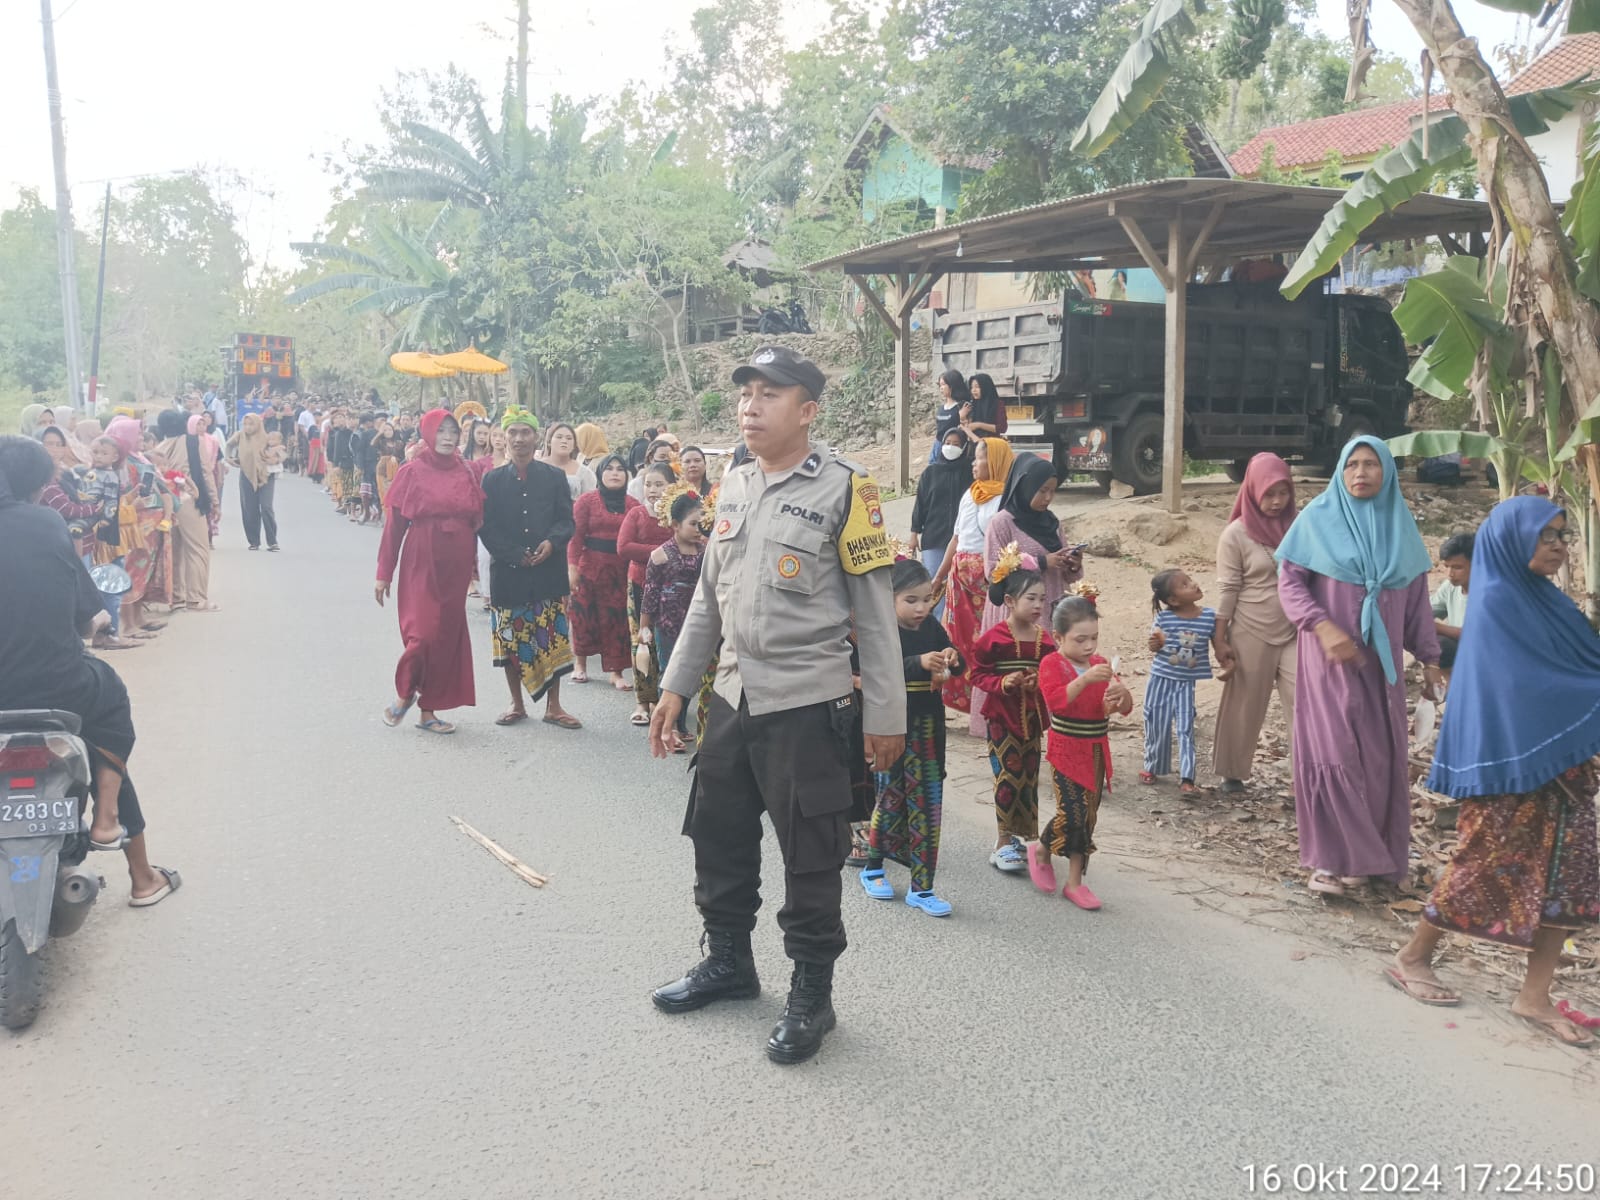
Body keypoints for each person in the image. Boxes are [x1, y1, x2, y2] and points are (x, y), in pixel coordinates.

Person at [648, 345, 903, 1066]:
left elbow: (876, 616)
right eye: (745, 394)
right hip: (731, 699)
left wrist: (886, 716)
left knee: (811, 858)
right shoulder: (731, 484)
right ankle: (729, 963)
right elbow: (708, 599)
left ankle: (811, 997)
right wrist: (674, 686)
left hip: (807, 706)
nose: (750, 407)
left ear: (808, 410)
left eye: (769, 394)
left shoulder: (851, 490)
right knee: (719, 838)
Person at [1388, 497, 1600, 1044]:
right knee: (1481, 863)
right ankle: (1412, 958)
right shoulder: (1500, 601)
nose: (1557, 545)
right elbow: (1521, 687)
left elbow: (1579, 667)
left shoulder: (1546, 601)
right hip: (1509, 763)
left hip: (1561, 764)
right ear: (1512, 541)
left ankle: (1534, 996)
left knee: (1568, 878)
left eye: (1562, 535)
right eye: (1546, 535)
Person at [0, 436, 180, 906]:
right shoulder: (46, 523)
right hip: (55, 686)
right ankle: (127, 855)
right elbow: (87, 615)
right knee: (107, 727)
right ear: (40, 486)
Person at [1276, 436, 1443, 897]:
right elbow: (1289, 584)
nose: (1361, 473)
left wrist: (1429, 658)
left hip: (1380, 670)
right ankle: (1330, 861)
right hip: (1327, 664)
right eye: (1352, 464)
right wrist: (1321, 626)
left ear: (1387, 471)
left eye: (1371, 464)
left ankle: (1368, 862)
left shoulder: (1401, 530)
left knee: (1377, 758)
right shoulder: (1316, 522)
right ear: (1340, 471)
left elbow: (1416, 606)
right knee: (1332, 753)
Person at [857, 559, 963, 916]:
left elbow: (958, 663)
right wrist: (919, 662)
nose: (922, 608)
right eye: (911, 600)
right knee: (890, 797)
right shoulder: (880, 631)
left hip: (929, 731)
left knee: (928, 804)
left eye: (927, 599)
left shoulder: (932, 627)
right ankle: (873, 867)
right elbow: (874, 670)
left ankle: (923, 887)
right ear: (889, 599)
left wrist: (952, 657)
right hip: (892, 728)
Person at [375, 410, 484, 735]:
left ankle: (428, 710)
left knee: (445, 636)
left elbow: (477, 522)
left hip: (458, 562)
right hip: (421, 558)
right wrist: (384, 572)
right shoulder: (412, 472)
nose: (448, 437)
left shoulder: (467, 471)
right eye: (442, 431)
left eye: (453, 431)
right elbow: (394, 527)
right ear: (428, 433)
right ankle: (405, 692)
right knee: (421, 634)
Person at [479, 407, 581, 730]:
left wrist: (552, 543)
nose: (519, 438)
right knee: (510, 640)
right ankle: (517, 703)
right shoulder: (492, 480)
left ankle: (554, 706)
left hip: (548, 572)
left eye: (526, 432)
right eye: (513, 433)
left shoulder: (554, 477)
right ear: (505, 438)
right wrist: (514, 555)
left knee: (552, 639)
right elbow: (486, 527)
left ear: (537, 437)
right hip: (508, 574)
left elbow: (567, 520)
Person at [1038, 594, 1134, 909]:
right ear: (1059, 637)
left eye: (1094, 638)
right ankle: (1041, 850)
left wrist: (1121, 696)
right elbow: (1055, 701)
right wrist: (1086, 680)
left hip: (1095, 750)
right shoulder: (1052, 663)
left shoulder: (1101, 664)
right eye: (1080, 640)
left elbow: (1115, 708)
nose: (1089, 646)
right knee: (1072, 813)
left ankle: (1075, 881)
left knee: (1088, 817)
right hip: (1065, 749)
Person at [1213, 453, 1298, 793]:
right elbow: (1228, 589)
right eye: (1269, 493)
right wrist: (1219, 639)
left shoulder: (1300, 525)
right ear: (1252, 490)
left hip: (1295, 629)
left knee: (1304, 702)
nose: (1277, 501)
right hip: (1250, 628)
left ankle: (1308, 776)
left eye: (1283, 492)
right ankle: (1232, 772)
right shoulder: (1235, 535)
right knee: (1245, 703)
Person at [969, 553, 1054, 878]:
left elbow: (1052, 676)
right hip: (1001, 720)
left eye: (1042, 599)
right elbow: (977, 675)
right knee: (1007, 777)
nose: (1038, 605)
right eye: (1030, 598)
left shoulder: (1046, 639)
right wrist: (1003, 682)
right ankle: (1002, 842)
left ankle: (1025, 839)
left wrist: (1038, 684)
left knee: (1029, 780)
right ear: (1009, 600)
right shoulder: (993, 639)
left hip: (1032, 721)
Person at [934, 435, 1014, 730]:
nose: (973, 463)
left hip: (986, 584)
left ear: (993, 461)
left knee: (984, 643)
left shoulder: (1006, 500)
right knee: (956, 641)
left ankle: (985, 707)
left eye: (979, 457)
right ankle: (959, 702)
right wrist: (940, 576)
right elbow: (957, 538)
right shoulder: (971, 494)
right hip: (960, 582)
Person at [980, 452, 1081, 656]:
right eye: (1042, 490)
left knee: (1048, 669)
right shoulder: (1002, 523)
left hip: (1050, 604)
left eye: (1053, 491)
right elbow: (993, 571)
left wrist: (1073, 563)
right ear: (1025, 486)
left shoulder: (1052, 523)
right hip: (1015, 611)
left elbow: (1067, 575)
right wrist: (1041, 562)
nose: (1048, 498)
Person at [1142, 569, 1232, 795]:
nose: (1193, 584)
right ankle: (1152, 766)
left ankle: (1187, 777)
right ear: (1173, 599)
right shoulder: (1164, 618)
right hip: (1160, 679)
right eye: (1184, 584)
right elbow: (1155, 643)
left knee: (1185, 727)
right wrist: (1155, 644)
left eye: (1190, 580)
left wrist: (1227, 664)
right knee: (1157, 723)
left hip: (1186, 683)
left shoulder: (1209, 617)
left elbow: (1219, 644)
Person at [638, 486, 708, 746]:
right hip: (667, 624)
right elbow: (650, 594)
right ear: (676, 525)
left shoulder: (705, 554)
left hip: (697, 624)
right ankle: (672, 725)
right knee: (670, 671)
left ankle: (679, 721)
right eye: (693, 524)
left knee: (692, 672)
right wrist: (644, 629)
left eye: (703, 524)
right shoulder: (660, 556)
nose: (699, 529)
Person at [569, 454, 639, 689]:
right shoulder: (587, 501)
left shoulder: (633, 505)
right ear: (600, 474)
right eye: (609, 469)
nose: (615, 473)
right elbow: (575, 538)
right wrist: (572, 567)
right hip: (589, 568)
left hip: (621, 570)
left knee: (617, 620)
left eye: (620, 469)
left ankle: (616, 672)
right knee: (582, 617)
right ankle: (580, 665)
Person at [101, 416, 173, 639]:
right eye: (137, 434)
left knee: (143, 572)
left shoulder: (138, 458)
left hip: (148, 525)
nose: (141, 438)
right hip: (133, 526)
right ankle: (128, 624)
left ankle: (138, 618)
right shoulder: (123, 464)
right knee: (131, 571)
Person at [618, 462, 676, 725]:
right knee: (642, 641)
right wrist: (661, 552)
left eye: (659, 484)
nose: (652, 490)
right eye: (648, 484)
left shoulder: (678, 515)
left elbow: (693, 541)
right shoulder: (637, 514)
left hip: (674, 589)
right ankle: (642, 702)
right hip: (640, 585)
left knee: (668, 645)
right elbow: (624, 547)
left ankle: (665, 702)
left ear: (672, 486)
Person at [154, 410, 220, 612]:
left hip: (167, 504)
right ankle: (197, 599)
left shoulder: (159, 447)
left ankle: (177, 596)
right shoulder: (193, 442)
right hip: (189, 501)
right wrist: (214, 502)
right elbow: (205, 472)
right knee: (198, 549)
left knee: (174, 550)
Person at [910, 428, 971, 615]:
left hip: (962, 542)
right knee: (934, 588)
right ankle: (936, 630)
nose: (950, 447)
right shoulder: (930, 473)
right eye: (947, 443)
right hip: (934, 538)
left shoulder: (970, 472)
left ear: (964, 447)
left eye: (956, 444)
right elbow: (920, 504)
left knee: (959, 590)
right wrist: (914, 534)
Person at [227, 414, 279, 552]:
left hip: (265, 476)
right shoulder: (240, 435)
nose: (248, 427)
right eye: (246, 424)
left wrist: (275, 458)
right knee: (249, 509)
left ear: (258, 424)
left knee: (266, 507)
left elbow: (280, 451)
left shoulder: (266, 438)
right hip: (246, 475)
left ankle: (272, 541)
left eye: (251, 424)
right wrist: (229, 458)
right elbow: (228, 445)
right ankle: (254, 541)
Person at [1431, 530, 1474, 671]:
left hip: (1482, 656)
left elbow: (1475, 635)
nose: (1450, 574)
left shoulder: (1487, 594)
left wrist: (1437, 627)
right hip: (1460, 651)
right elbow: (1425, 612)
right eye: (1447, 567)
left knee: (1441, 643)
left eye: (1457, 567)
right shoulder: (1450, 587)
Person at [542, 423, 596, 500]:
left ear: (574, 445)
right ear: (549, 442)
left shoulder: (585, 473)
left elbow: (589, 503)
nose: (564, 441)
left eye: (569, 438)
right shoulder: (536, 467)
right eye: (559, 437)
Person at [928, 368, 966, 464]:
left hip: (952, 448)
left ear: (952, 385)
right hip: (938, 444)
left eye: (944, 384)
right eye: (940, 385)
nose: (941, 388)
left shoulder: (962, 407)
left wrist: (961, 417)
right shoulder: (942, 408)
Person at [965, 372, 1005, 440]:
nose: (973, 390)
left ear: (985, 387)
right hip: (974, 444)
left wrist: (979, 425)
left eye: (977, 387)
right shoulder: (972, 404)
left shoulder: (997, 404)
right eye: (972, 387)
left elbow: (1002, 428)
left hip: (991, 444)